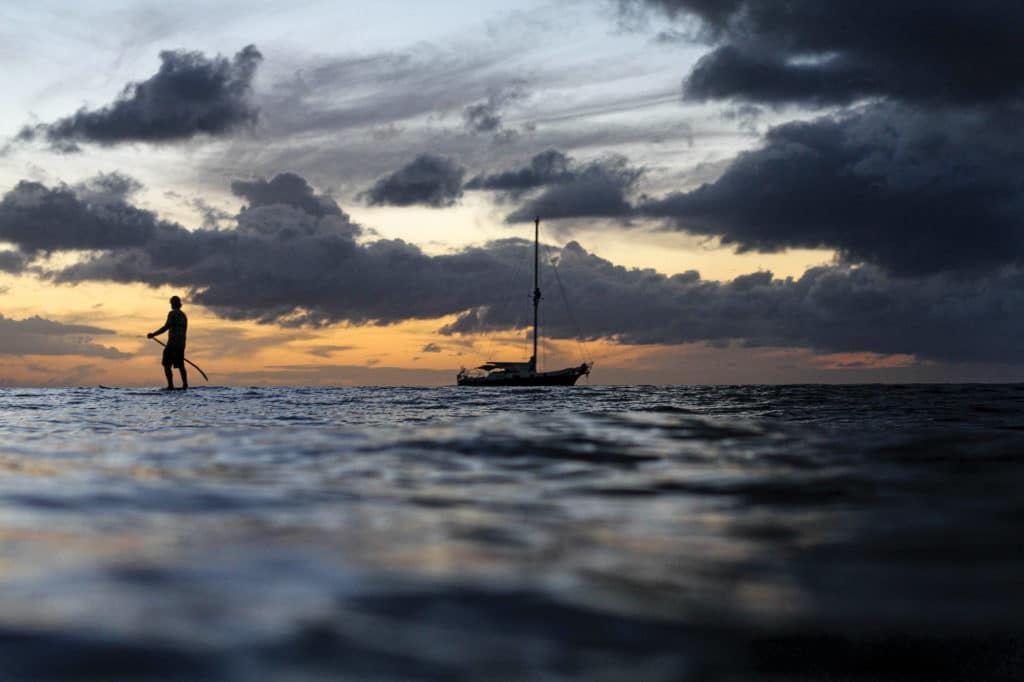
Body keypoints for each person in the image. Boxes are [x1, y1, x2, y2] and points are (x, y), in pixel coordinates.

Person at [148, 296, 188, 390]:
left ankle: (170, 386)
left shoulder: (172, 313)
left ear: (174, 304)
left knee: (166, 364)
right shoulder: (183, 315)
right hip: (181, 344)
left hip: (172, 343)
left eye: (172, 303)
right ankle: (185, 385)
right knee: (181, 365)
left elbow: (166, 327)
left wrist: (153, 334)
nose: (171, 305)